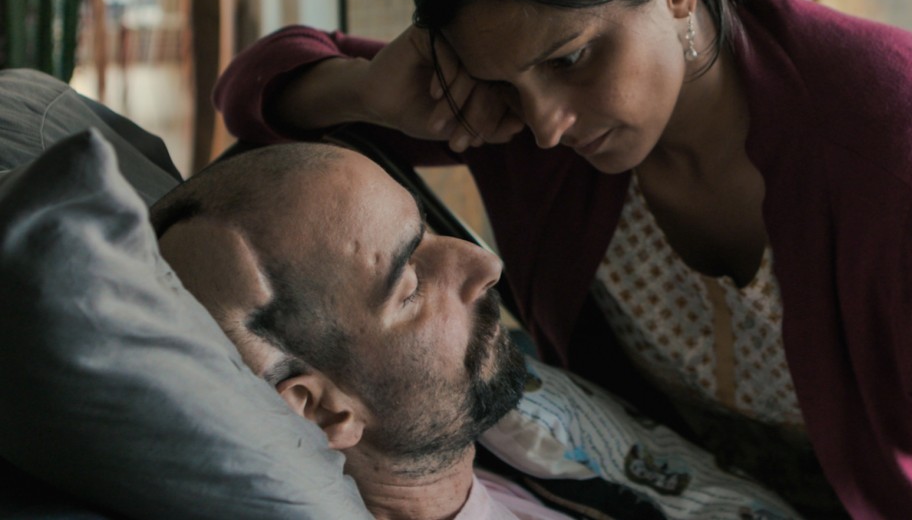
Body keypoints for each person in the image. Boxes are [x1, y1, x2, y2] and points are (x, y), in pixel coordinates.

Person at [211, 0, 912, 516]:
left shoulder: (910, 155)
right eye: (507, 85)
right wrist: (366, 92)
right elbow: (257, 88)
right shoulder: (520, 114)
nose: (547, 123)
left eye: (572, 61)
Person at [149, 142, 802, 520]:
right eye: (409, 281)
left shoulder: (500, 431)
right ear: (322, 409)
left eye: (428, 230)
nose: (483, 264)